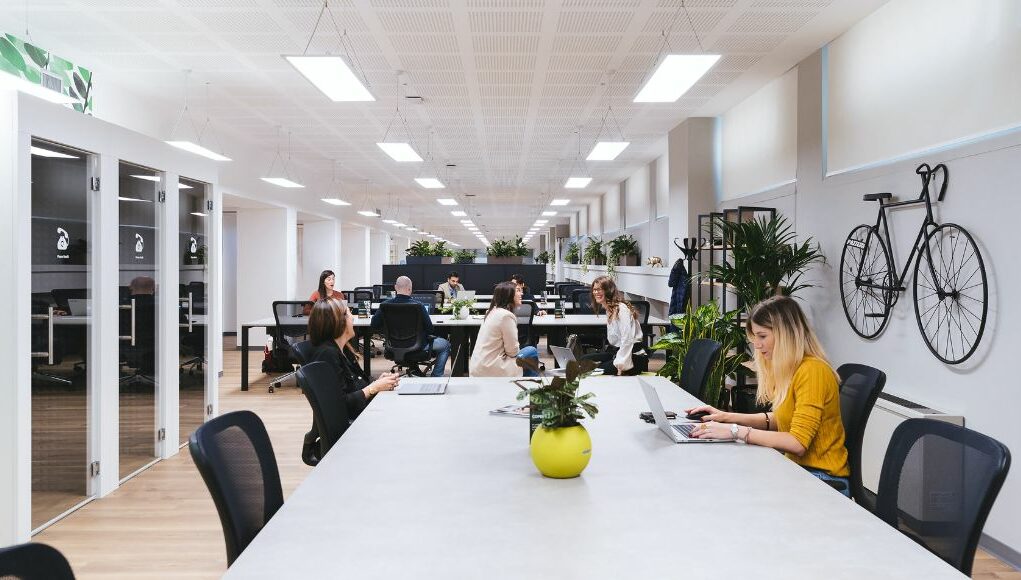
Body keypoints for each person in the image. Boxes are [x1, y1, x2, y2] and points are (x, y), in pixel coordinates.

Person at [685, 296, 851, 497]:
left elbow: (797, 443)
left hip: (823, 480)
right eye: (754, 337)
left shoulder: (813, 371)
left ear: (786, 334)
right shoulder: (792, 368)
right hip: (799, 471)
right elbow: (783, 418)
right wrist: (725, 416)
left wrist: (735, 431)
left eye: (762, 336)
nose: (756, 344)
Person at [304, 298, 399, 464]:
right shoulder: (327, 355)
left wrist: (378, 382)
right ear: (337, 322)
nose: (353, 318)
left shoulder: (343, 349)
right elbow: (339, 406)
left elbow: (356, 382)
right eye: (349, 314)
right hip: (352, 429)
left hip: (363, 416)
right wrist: (373, 388)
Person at [371, 276, 451, 377]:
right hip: (418, 347)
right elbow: (430, 329)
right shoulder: (418, 305)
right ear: (410, 289)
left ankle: (414, 369)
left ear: (395, 287)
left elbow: (374, 325)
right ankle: (436, 377)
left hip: (393, 346)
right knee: (445, 345)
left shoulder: (384, 305)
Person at [468, 281, 539, 377]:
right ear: (509, 296)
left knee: (526, 360)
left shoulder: (491, 312)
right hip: (492, 367)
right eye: (518, 291)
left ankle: (525, 385)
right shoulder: (506, 316)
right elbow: (513, 352)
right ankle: (531, 387)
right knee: (531, 351)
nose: (521, 293)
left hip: (478, 366)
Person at [581, 275, 648, 376]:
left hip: (633, 356)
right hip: (617, 351)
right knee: (583, 361)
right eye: (594, 290)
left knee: (591, 370)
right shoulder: (610, 309)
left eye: (599, 289)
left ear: (608, 291)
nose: (596, 292)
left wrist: (620, 364)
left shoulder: (621, 309)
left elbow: (627, 339)